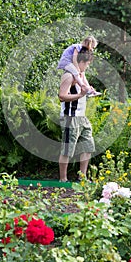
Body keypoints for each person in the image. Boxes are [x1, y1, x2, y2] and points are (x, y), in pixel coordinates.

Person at [58, 50, 96, 182]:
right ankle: (63, 180)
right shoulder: (69, 76)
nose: (88, 66)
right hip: (70, 118)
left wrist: (90, 91)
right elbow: (62, 96)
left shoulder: (81, 76)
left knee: (88, 145)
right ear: (81, 62)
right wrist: (80, 95)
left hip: (82, 117)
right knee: (67, 150)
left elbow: (84, 91)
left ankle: (83, 177)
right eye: (87, 64)